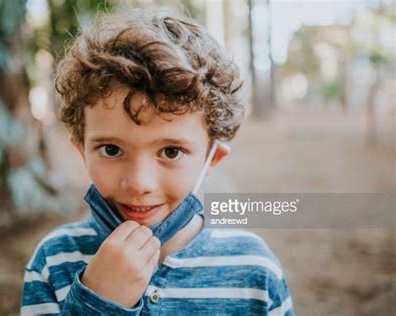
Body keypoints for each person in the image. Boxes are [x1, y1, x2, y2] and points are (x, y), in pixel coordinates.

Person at [21, 8, 294, 315]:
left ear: (211, 158)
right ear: (82, 151)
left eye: (171, 151)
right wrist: (96, 302)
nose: (139, 183)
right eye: (111, 149)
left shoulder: (254, 270)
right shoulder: (54, 262)